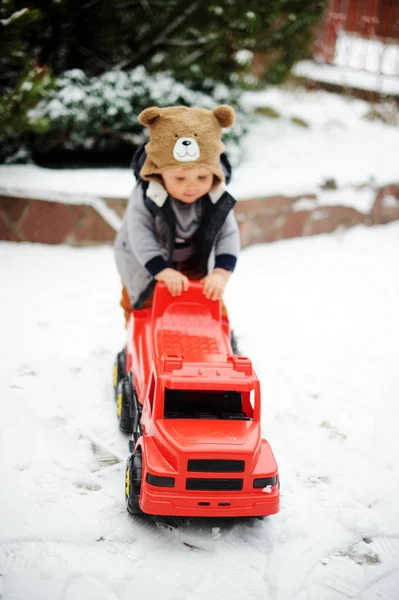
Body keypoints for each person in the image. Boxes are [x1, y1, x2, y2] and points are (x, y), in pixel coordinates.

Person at [113, 104, 240, 325]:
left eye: (202, 178)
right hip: (146, 264)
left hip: (192, 263)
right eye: (180, 179)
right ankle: (136, 342)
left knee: (207, 303)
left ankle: (222, 339)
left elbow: (228, 234)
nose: (191, 187)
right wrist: (161, 271)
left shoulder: (214, 197)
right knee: (143, 305)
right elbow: (139, 234)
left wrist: (220, 273)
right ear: (160, 174)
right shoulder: (148, 195)